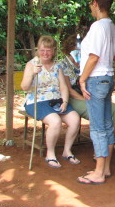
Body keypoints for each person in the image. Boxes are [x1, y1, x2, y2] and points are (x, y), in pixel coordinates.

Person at [59, 34, 115, 159]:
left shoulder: (86, 62)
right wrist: (86, 99)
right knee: (98, 113)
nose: (80, 51)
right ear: (70, 49)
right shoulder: (63, 65)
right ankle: (99, 151)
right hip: (74, 98)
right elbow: (68, 90)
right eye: (77, 48)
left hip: (90, 94)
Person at [77, 0, 115, 185]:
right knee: (106, 124)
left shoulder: (97, 27)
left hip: (95, 80)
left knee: (97, 128)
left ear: (95, 3)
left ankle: (98, 173)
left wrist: (82, 79)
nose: (90, 7)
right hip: (108, 78)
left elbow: (94, 56)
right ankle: (106, 168)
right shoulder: (112, 27)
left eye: (90, 3)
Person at [21, 35, 81, 168]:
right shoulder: (31, 64)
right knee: (55, 121)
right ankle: (50, 153)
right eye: (42, 50)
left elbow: (63, 86)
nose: (45, 53)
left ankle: (67, 151)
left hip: (55, 100)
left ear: (53, 51)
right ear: (38, 50)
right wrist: (32, 74)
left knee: (74, 118)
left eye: (48, 50)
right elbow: (24, 87)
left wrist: (65, 101)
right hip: (36, 101)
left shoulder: (57, 66)